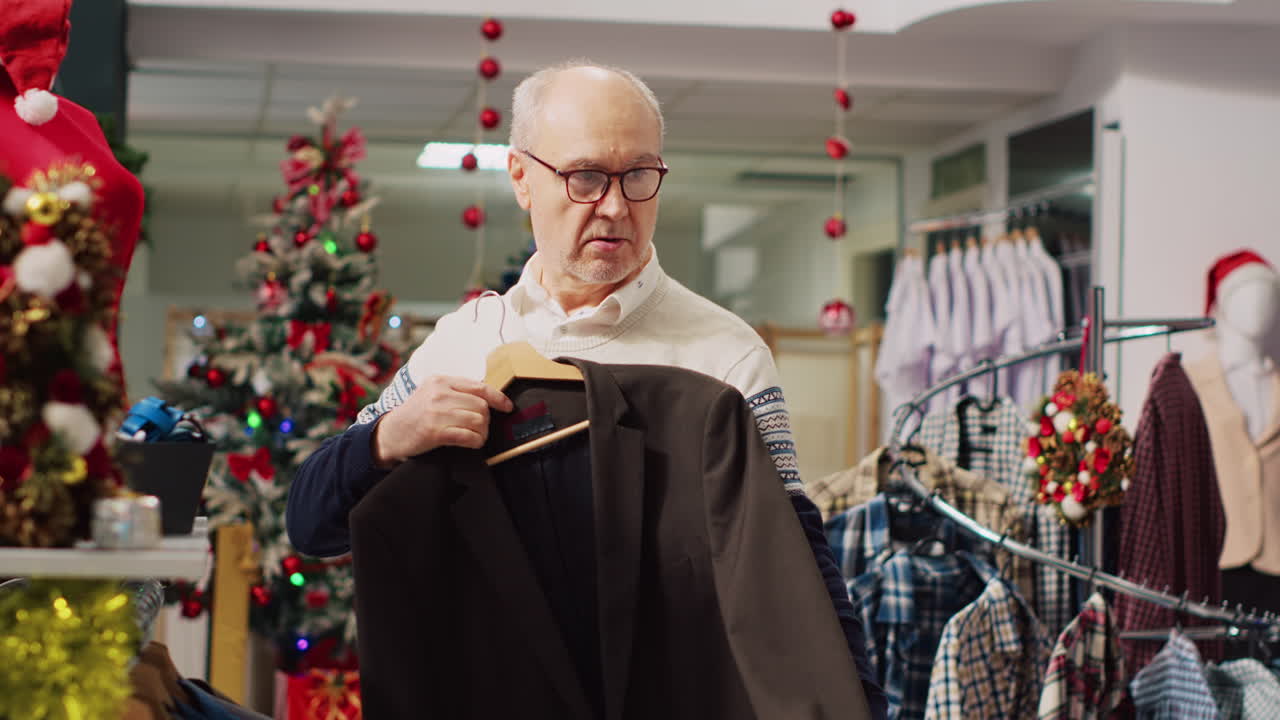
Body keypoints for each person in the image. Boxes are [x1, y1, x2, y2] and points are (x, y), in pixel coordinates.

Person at [287, 60, 887, 718]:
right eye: (586, 177)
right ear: (522, 177)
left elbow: (796, 566)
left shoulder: (725, 355)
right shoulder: (462, 345)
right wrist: (387, 437)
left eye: (639, 175)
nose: (616, 206)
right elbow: (311, 524)